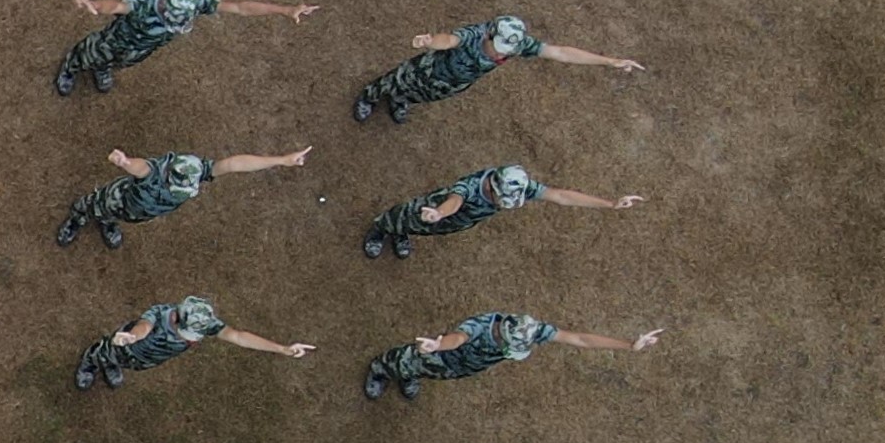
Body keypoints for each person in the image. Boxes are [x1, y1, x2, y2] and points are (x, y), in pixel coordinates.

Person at [356, 15, 646, 124]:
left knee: (421, 97)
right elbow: (451, 39)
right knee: (394, 82)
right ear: (490, 34)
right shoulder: (476, 33)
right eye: (498, 46)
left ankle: (401, 101)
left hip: (453, 85)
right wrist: (431, 41)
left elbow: (560, 52)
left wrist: (609, 61)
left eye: (505, 50)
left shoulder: (517, 44)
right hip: (426, 70)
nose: (500, 53)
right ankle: (370, 96)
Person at [55, 0, 319, 95]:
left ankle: (103, 68)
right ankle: (71, 66)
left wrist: (285, 10)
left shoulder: (195, 2)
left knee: (123, 62)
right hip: (117, 39)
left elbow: (240, 7)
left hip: (143, 47)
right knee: (93, 53)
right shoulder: (145, 4)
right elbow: (116, 6)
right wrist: (93, 5)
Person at [360, 162, 645, 258]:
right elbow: (455, 200)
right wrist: (440, 213)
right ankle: (380, 230)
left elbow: (560, 196)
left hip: (453, 221)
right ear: (493, 187)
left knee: (423, 230)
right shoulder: (471, 187)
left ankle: (401, 234)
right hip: (434, 210)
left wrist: (609, 204)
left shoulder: (517, 187)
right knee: (402, 218)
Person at [54, 144, 313, 249]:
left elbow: (235, 164)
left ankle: (108, 222)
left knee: (119, 218)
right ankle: (78, 217)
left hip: (140, 212)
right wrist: (124, 162)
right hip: (118, 200)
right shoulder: (154, 173)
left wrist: (281, 160)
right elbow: (140, 167)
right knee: (93, 206)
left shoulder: (198, 172)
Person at [365, 313, 663, 400]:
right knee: (404, 361)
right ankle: (381, 370)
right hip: (442, 355)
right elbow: (459, 338)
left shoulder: (530, 330)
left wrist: (628, 345)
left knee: (426, 373)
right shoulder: (481, 328)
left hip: (461, 367)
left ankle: (410, 375)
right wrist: (437, 346)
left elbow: (579, 339)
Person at [76, 297, 316, 388]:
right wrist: (131, 337)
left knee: (128, 365)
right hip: (127, 346)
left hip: (147, 359)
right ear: (177, 319)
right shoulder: (159, 314)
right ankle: (92, 362)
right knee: (105, 354)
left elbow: (238, 336)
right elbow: (143, 327)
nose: (192, 339)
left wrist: (282, 349)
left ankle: (112, 365)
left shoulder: (203, 323)